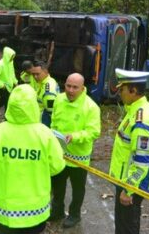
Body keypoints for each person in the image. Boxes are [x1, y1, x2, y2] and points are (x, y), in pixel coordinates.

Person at [0, 84, 66, 234]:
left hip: (5, 209)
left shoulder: (0, 132)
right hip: (35, 211)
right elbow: (56, 167)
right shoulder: (44, 134)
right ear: (34, 105)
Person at [109, 68, 149, 234]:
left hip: (131, 183)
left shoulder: (141, 119)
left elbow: (141, 160)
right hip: (125, 180)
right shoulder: (135, 110)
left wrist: (129, 189)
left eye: (121, 89)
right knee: (123, 224)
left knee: (127, 227)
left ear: (133, 90)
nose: (119, 93)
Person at [49, 73, 101, 228]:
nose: (70, 90)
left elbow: (94, 132)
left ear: (82, 88)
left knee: (78, 189)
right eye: (68, 86)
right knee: (57, 185)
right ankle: (57, 211)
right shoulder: (59, 99)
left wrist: (74, 136)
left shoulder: (91, 107)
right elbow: (54, 121)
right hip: (60, 153)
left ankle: (74, 214)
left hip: (79, 157)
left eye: (75, 87)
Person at [30, 61, 59, 127]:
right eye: (33, 74)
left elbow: (51, 112)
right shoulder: (44, 82)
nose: (35, 77)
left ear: (45, 71)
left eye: (37, 74)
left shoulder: (48, 92)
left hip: (43, 122)